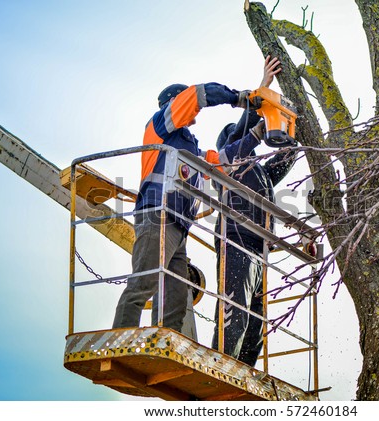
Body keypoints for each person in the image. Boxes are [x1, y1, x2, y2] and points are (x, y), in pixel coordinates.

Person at [112, 82, 266, 332]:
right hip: (157, 215)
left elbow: (223, 161)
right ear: (174, 103)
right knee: (144, 282)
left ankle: (164, 342)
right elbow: (197, 94)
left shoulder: (189, 147)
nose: (193, 113)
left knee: (174, 295)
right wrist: (237, 98)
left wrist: (256, 134)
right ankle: (121, 335)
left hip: (178, 225)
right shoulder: (160, 125)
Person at [211, 56, 296, 367]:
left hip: (259, 250)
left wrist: (288, 131)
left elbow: (286, 158)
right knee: (235, 317)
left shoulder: (258, 172)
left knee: (255, 326)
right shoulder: (225, 162)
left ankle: (243, 372)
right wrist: (263, 88)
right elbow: (245, 129)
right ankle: (219, 368)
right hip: (235, 243)